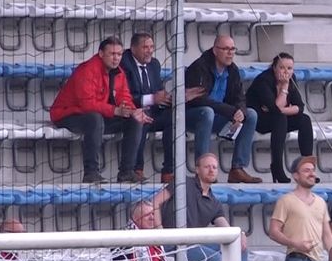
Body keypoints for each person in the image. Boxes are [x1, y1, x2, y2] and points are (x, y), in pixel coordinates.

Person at [151, 153, 265, 261]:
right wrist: (158, 230)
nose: (211, 170)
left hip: (193, 243)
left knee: (239, 246)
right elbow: (155, 201)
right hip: (171, 241)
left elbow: (226, 229)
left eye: (214, 167)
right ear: (197, 169)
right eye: (207, 166)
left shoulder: (214, 202)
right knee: (213, 258)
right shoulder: (183, 183)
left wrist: (239, 233)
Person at [50, 36, 151, 183]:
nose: (116, 58)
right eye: (112, 54)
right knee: (94, 119)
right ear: (101, 54)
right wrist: (115, 111)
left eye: (119, 54)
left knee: (134, 120)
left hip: (96, 114)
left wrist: (132, 110)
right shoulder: (87, 70)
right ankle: (91, 173)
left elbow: (125, 97)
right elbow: (86, 104)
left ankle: (127, 172)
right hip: (67, 114)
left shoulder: (119, 73)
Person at [121, 32, 218, 183]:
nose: (150, 50)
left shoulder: (154, 64)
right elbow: (123, 97)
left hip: (154, 111)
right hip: (131, 112)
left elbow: (158, 92)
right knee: (141, 117)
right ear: (133, 49)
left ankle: (168, 171)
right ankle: (136, 169)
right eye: (145, 47)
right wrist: (152, 99)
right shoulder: (124, 64)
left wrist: (176, 97)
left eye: (152, 47)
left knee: (175, 118)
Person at [183, 35, 262, 184]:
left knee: (251, 114)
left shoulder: (233, 70)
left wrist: (240, 111)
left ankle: (237, 169)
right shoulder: (199, 67)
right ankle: (202, 169)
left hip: (219, 116)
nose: (230, 53)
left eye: (233, 49)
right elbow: (198, 99)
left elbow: (240, 97)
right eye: (226, 49)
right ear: (215, 50)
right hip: (193, 116)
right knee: (207, 112)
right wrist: (230, 111)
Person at [246, 52, 314, 183]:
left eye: (289, 68)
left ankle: (307, 166)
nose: (286, 72)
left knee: (304, 119)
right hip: (259, 120)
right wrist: (284, 88)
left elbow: (300, 107)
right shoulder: (263, 80)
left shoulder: (291, 78)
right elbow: (275, 108)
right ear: (274, 68)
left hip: (275, 117)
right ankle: (277, 167)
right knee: (280, 118)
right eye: (282, 67)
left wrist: (282, 108)